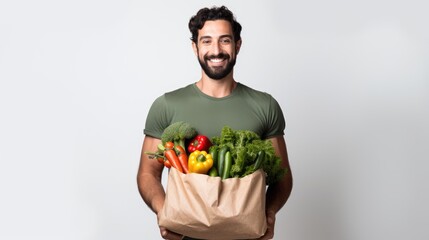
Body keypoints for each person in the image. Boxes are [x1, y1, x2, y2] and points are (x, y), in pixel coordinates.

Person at [137, 5, 293, 240]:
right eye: (207, 41)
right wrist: (163, 212)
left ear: (238, 45)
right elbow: (147, 173)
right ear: (195, 47)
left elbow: (282, 176)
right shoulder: (167, 105)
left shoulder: (265, 106)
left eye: (225, 41)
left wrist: (269, 214)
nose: (216, 50)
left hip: (246, 235)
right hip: (187, 234)